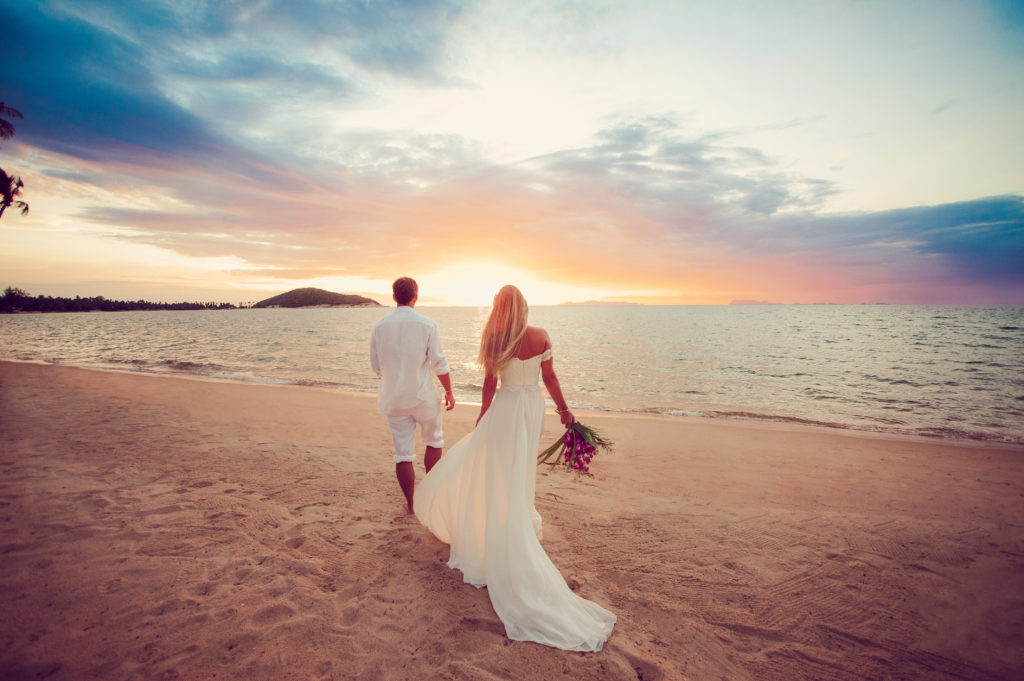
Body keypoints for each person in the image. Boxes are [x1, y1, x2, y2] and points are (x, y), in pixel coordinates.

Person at [414, 285, 615, 651]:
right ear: (523, 306)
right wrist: (565, 411)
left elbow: (490, 384)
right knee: (520, 469)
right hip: (529, 409)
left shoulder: (493, 337)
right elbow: (550, 379)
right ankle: (515, 519)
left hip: (504, 409)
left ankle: (500, 522)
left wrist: (482, 417)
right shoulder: (539, 336)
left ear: (498, 308)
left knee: (497, 469)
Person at [370, 277, 455, 514]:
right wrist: (449, 391)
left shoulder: (380, 327)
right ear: (416, 296)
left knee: (403, 454)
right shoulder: (427, 325)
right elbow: (439, 363)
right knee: (434, 441)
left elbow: (376, 366)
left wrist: (394, 380)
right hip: (423, 396)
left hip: (394, 398)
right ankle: (432, 498)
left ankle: (411, 503)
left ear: (395, 296)